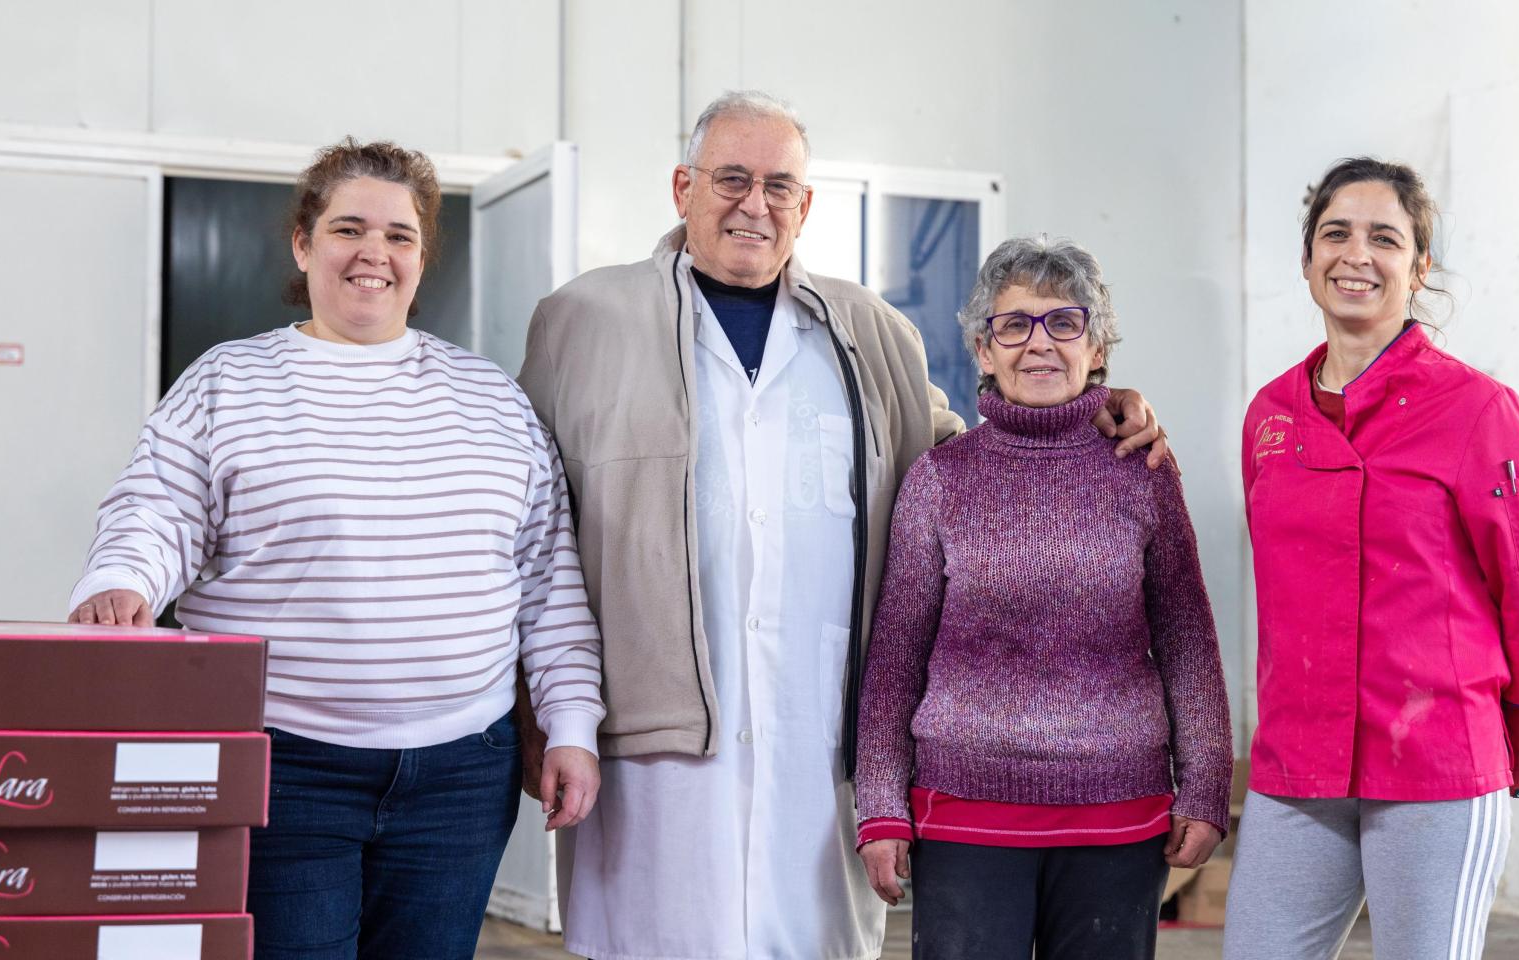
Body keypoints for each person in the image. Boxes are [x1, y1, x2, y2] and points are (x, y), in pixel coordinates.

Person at [517, 90, 1173, 960]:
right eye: (731, 180)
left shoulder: (873, 331)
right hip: (652, 750)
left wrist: (1096, 406)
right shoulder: (584, 320)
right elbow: (529, 533)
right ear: (682, 187)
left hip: (818, 737)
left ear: (806, 205)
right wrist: (540, 720)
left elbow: (974, 463)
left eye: (780, 186)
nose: (756, 204)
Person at [66, 137, 604, 960]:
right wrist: (124, 577)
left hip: (462, 775)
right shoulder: (230, 381)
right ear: (303, 243)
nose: (373, 255)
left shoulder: (492, 398)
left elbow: (547, 582)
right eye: (349, 228)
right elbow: (158, 507)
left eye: (399, 235)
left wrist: (569, 722)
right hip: (284, 763)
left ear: (421, 259)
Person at [1222, 158, 1519, 960]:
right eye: (1335, 233)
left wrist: (1517, 746)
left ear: (1419, 268)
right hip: (1298, 765)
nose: (1356, 255)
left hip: (1439, 763)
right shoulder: (1270, 416)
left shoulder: (1478, 409)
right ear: (1306, 258)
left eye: (1385, 238)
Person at [852, 236, 1232, 960]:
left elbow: (1188, 640)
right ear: (983, 349)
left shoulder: (1143, 472)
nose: (1039, 344)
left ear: (1097, 347)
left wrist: (1206, 784)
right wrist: (880, 806)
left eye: (1065, 322)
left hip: (1117, 813)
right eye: (1014, 323)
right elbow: (895, 656)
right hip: (964, 814)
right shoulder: (939, 480)